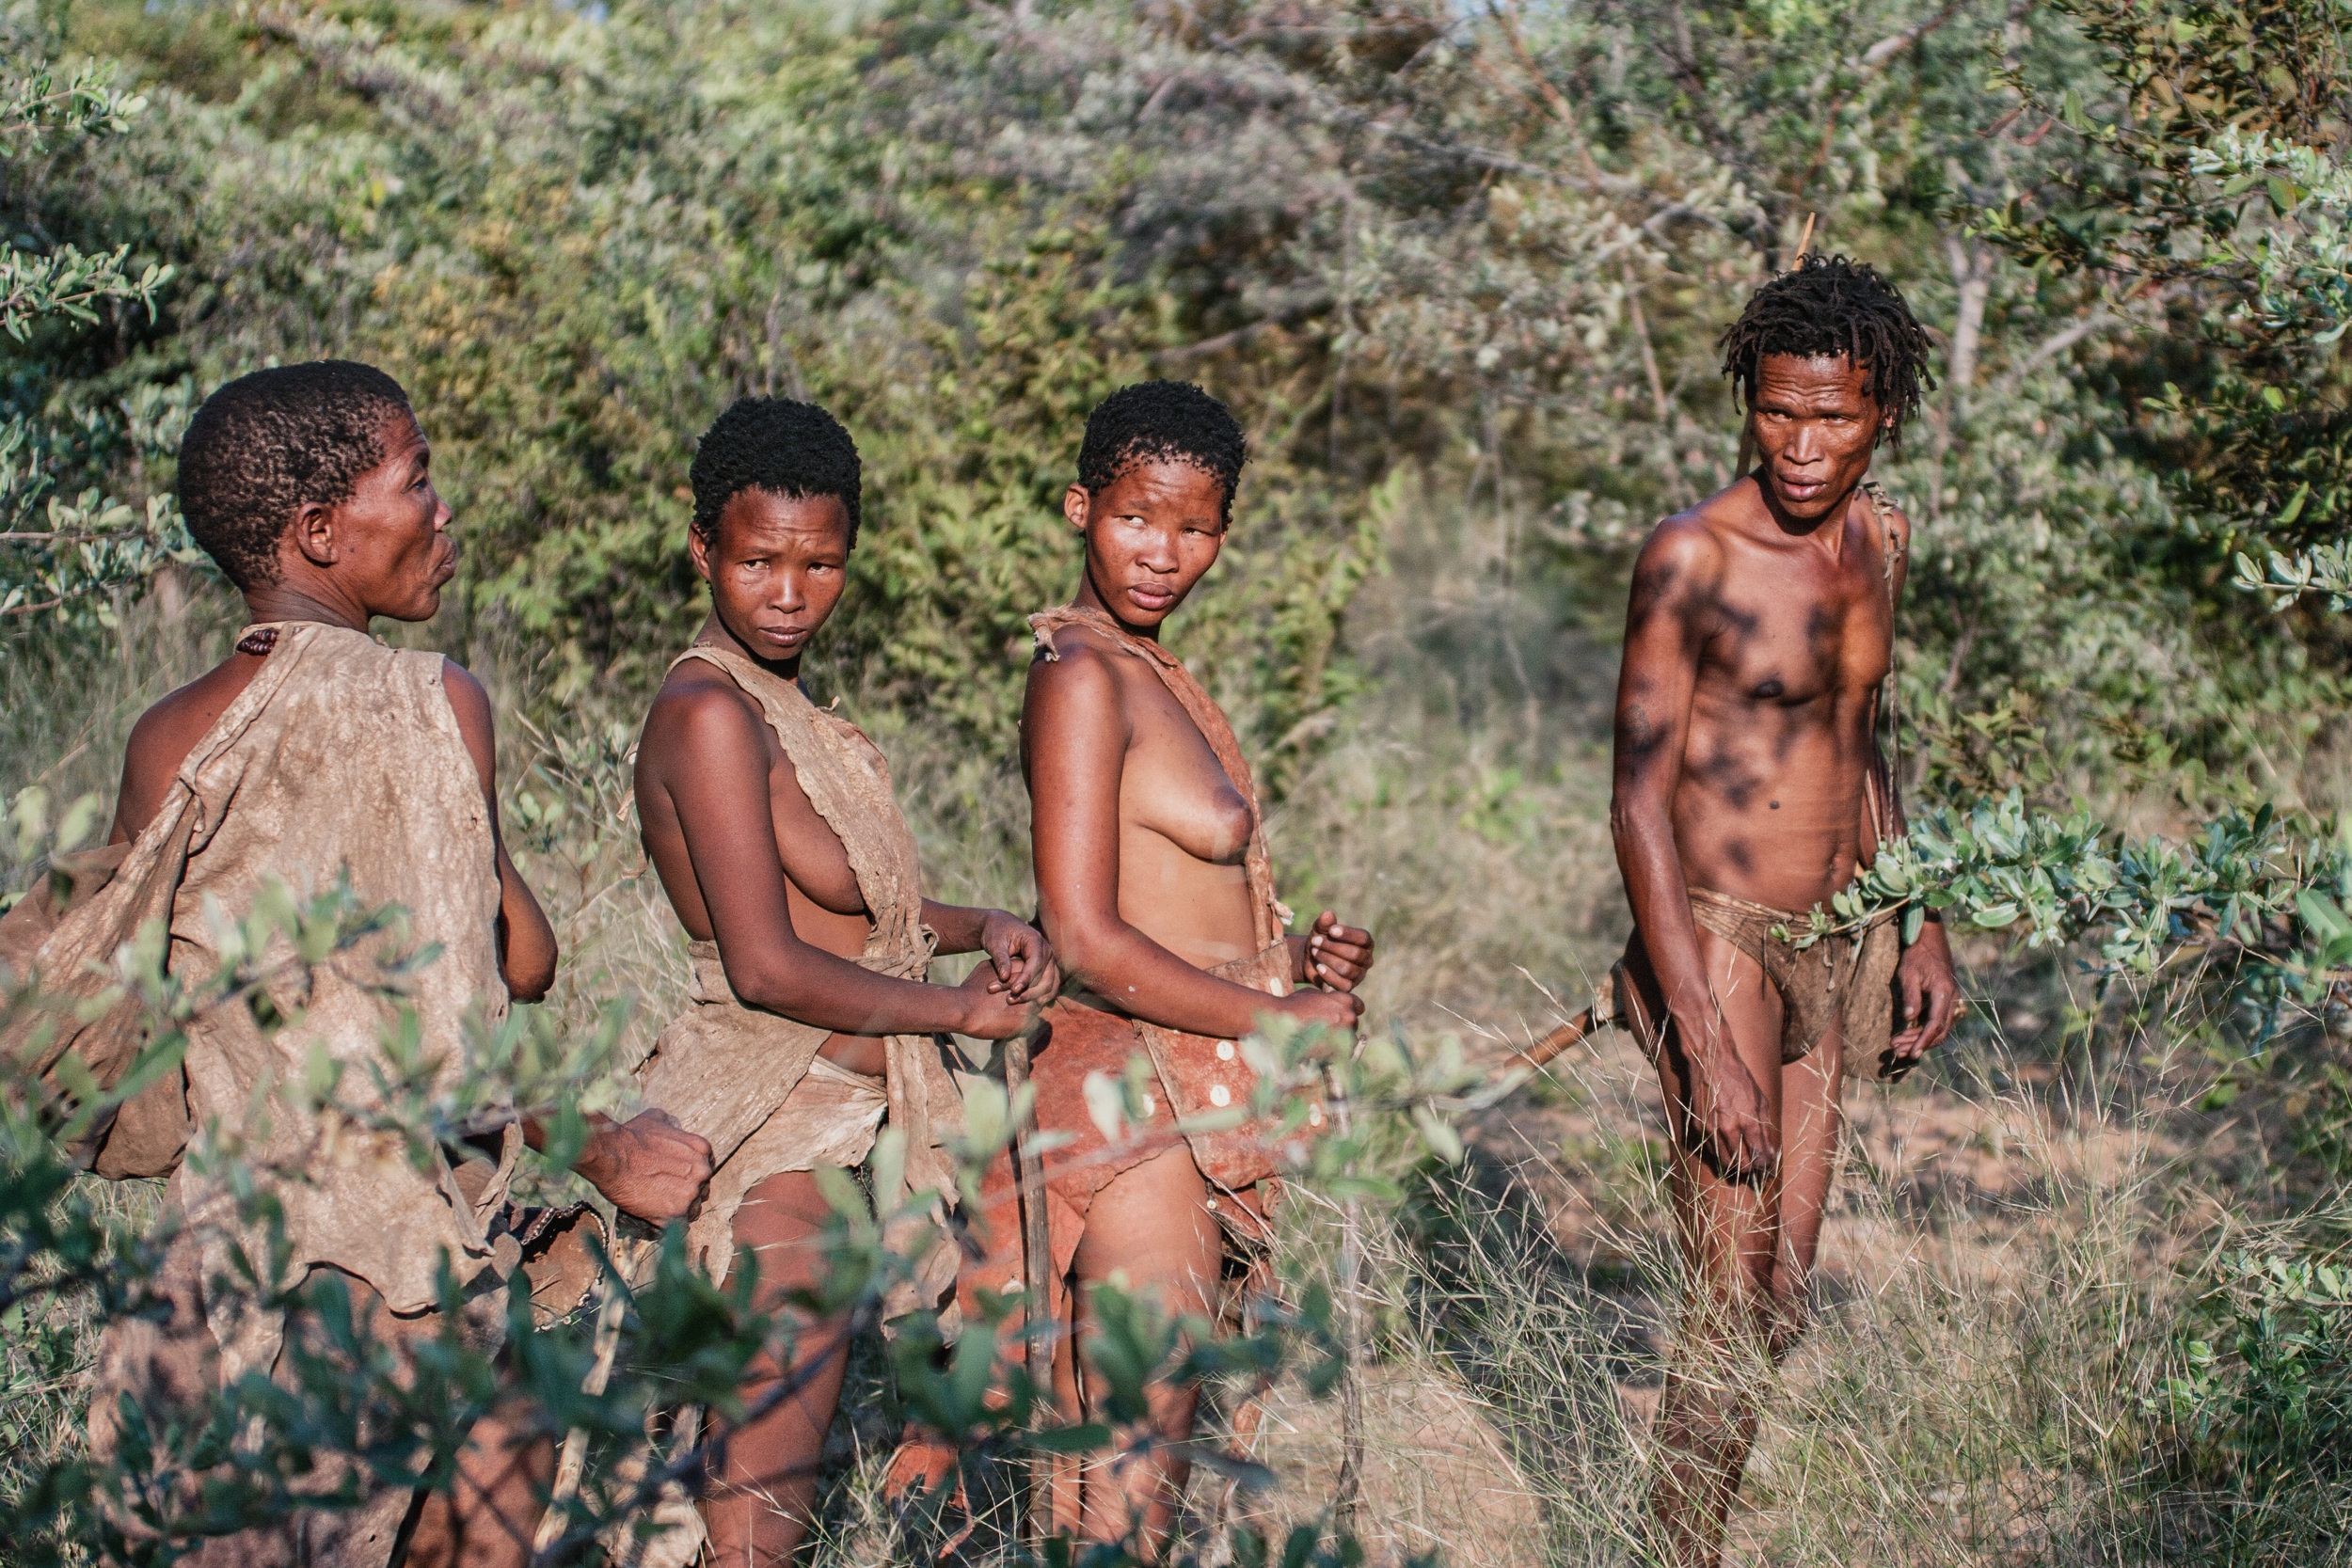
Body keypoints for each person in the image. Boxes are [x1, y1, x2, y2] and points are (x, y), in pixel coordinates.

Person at [1, 361, 715, 1568]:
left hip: (219, 1273)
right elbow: (453, 1035)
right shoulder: (423, 698)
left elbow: (513, 955)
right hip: (389, 1272)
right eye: (419, 480)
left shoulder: (172, 729)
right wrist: (609, 1148)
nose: (444, 511)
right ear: (320, 531)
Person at [630, 396, 1057, 1568]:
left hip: (881, 1107)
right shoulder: (710, 710)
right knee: (764, 1504)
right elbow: (768, 963)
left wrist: (985, 926)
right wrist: (963, 1007)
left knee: (953, 1423)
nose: (787, 590)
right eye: (758, 559)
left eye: (820, 563)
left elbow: (868, 918)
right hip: (776, 1109)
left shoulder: (798, 711)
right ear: (701, 546)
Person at [962, 379, 1375, 1552]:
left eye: (1194, 528)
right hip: (1128, 1092)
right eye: (1137, 517)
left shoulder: (1150, 667)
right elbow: (1085, 935)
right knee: (1122, 1486)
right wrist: (1271, 1012)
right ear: (1078, 507)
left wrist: (1296, 960)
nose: (1163, 552)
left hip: (1184, 1082)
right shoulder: (1081, 674)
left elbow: (1173, 906)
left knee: (1132, 1468)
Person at [1605, 255, 1962, 1565]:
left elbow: (1864, 738)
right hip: (1722, 941)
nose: (1804, 446)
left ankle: (1681, 1535)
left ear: (1885, 416)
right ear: (1747, 403)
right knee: (1724, 1293)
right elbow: (1636, 801)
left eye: (1835, 417)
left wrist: (1918, 916)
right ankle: (1672, 1552)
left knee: (1780, 1301)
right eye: (1778, 412)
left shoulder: (1882, 539)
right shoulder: (1692, 557)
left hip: (1843, 928)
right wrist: (1698, 1027)